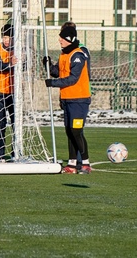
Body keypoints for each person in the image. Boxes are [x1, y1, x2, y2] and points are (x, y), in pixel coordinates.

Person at [44, 23, 92, 174]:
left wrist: (53, 84)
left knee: (76, 130)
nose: (59, 40)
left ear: (69, 38)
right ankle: (71, 164)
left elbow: (72, 79)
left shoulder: (78, 55)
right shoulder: (64, 54)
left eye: (62, 38)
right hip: (67, 99)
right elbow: (58, 72)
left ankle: (85, 163)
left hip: (79, 100)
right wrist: (48, 66)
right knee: (69, 131)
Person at [0, 24, 17, 161]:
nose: (6, 40)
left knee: (15, 125)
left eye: (9, 37)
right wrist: (11, 64)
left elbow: (23, 66)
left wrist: (22, 61)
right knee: (0, 125)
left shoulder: (18, 50)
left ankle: (15, 153)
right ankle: (1, 155)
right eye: (5, 37)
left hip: (14, 93)